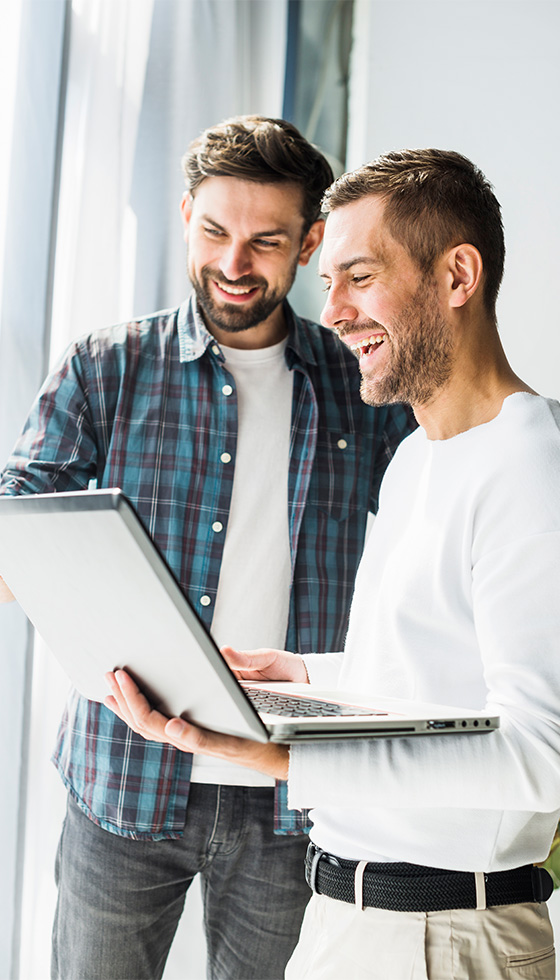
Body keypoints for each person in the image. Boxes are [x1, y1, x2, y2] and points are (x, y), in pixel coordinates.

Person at [106, 148, 560, 980]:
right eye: (331, 281)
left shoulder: (533, 465)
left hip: (447, 940)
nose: (335, 308)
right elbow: (435, 672)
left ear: (458, 276)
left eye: (359, 275)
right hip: (347, 920)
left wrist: (287, 758)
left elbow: (539, 755)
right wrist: (306, 674)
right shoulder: (421, 455)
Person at [0, 117, 414, 980]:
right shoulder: (104, 368)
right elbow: (17, 520)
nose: (234, 263)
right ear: (186, 213)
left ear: (308, 245)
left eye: (265, 241)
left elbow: (435, 520)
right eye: (216, 232)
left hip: (289, 798)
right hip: (124, 775)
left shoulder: (359, 382)